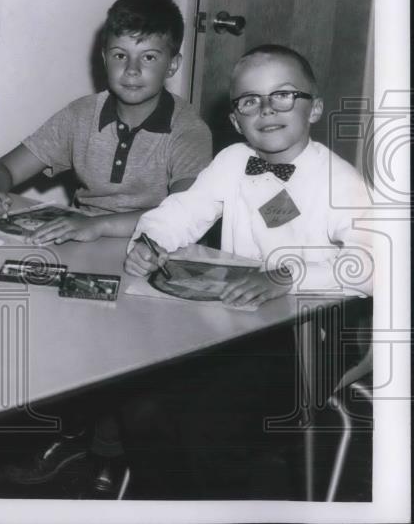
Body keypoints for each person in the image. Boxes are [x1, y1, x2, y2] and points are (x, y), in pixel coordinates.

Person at [0, 0, 212, 496]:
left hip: (154, 259)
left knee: (123, 356)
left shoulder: (188, 130)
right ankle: (59, 436)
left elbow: (190, 215)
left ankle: (100, 452)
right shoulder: (83, 114)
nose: (131, 70)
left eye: (149, 57)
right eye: (119, 54)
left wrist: (100, 225)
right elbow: (5, 167)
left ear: (174, 63)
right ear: (103, 55)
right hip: (82, 247)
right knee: (7, 308)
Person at [121, 44, 374, 498]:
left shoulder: (340, 182)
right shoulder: (233, 161)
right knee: (142, 405)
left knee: (205, 426)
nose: (266, 110)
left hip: (309, 339)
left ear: (313, 108)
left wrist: (286, 276)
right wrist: (152, 238)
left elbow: (375, 263)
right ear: (236, 119)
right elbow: (185, 210)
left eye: (283, 96)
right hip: (231, 328)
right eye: (250, 101)